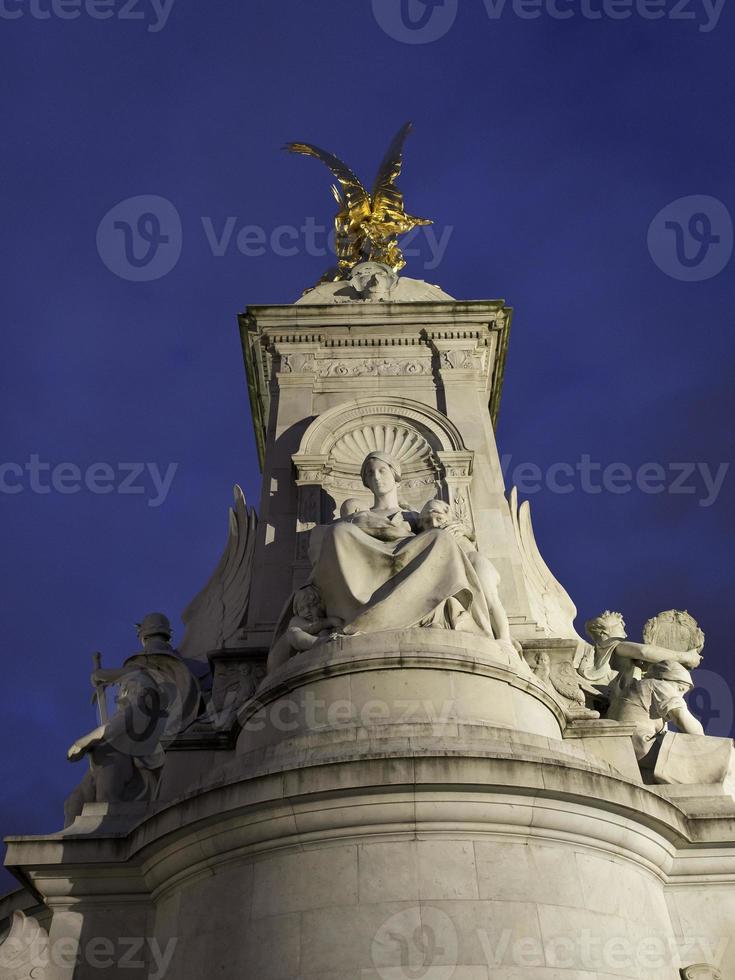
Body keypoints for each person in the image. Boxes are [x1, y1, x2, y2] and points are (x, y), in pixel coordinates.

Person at [307, 451, 495, 638]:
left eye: (382, 471)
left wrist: (467, 532)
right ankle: (359, 615)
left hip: (407, 562)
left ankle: (420, 612)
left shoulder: (412, 515)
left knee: (440, 538)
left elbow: (447, 540)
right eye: (370, 473)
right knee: (337, 532)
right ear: (365, 481)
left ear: (394, 474)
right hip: (368, 566)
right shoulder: (358, 516)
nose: (377, 477)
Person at [64, 614, 200, 825]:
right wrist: (103, 676)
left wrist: (85, 741)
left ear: (142, 637)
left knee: (104, 803)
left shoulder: (143, 688)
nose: (119, 695)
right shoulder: (140, 681)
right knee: (73, 803)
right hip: (108, 754)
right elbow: (128, 677)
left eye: (123, 689)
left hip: (121, 755)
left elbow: (124, 719)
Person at [418, 498, 512, 643]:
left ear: (447, 516)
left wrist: (468, 532)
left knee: (491, 600)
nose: (434, 524)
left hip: (475, 563)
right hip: (456, 571)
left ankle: (505, 639)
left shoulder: (454, 528)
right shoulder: (426, 539)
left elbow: (471, 538)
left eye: (439, 518)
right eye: (427, 522)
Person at [577, 610, 702, 703]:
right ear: (605, 632)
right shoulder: (614, 646)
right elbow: (644, 651)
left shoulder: (609, 651)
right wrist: (686, 657)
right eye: (620, 624)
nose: (624, 626)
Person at [607, 659, 704, 763]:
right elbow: (684, 722)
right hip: (641, 744)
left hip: (626, 741)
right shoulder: (658, 685)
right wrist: (707, 745)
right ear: (665, 678)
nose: (680, 696)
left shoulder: (638, 686)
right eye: (680, 689)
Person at [266, 586, 344, 673]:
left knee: (323, 634)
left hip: (292, 664)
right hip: (277, 663)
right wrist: (330, 621)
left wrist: (338, 629)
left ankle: (321, 642)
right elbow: (311, 627)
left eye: (311, 606)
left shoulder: (321, 626)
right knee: (292, 632)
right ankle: (318, 643)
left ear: (319, 605)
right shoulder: (295, 620)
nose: (307, 611)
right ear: (297, 612)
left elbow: (324, 630)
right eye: (302, 609)